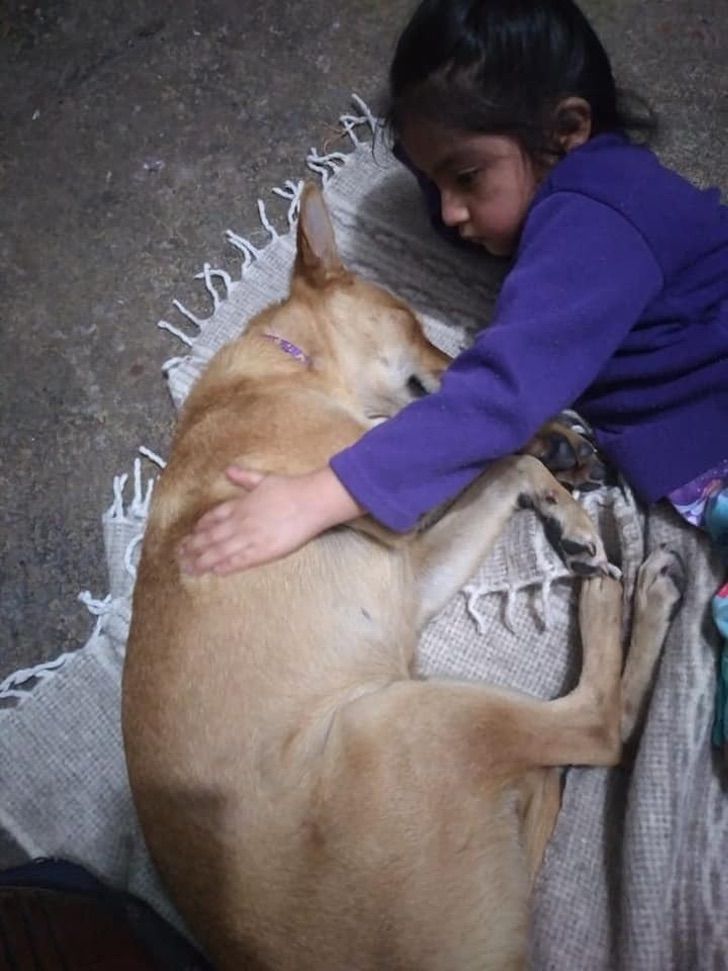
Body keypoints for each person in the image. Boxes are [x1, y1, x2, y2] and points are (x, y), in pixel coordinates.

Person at [179, 0, 728, 752]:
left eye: (466, 177)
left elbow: (498, 394)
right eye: (431, 183)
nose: (450, 213)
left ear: (567, 132)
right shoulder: (579, 195)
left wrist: (322, 492)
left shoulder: (596, 218)